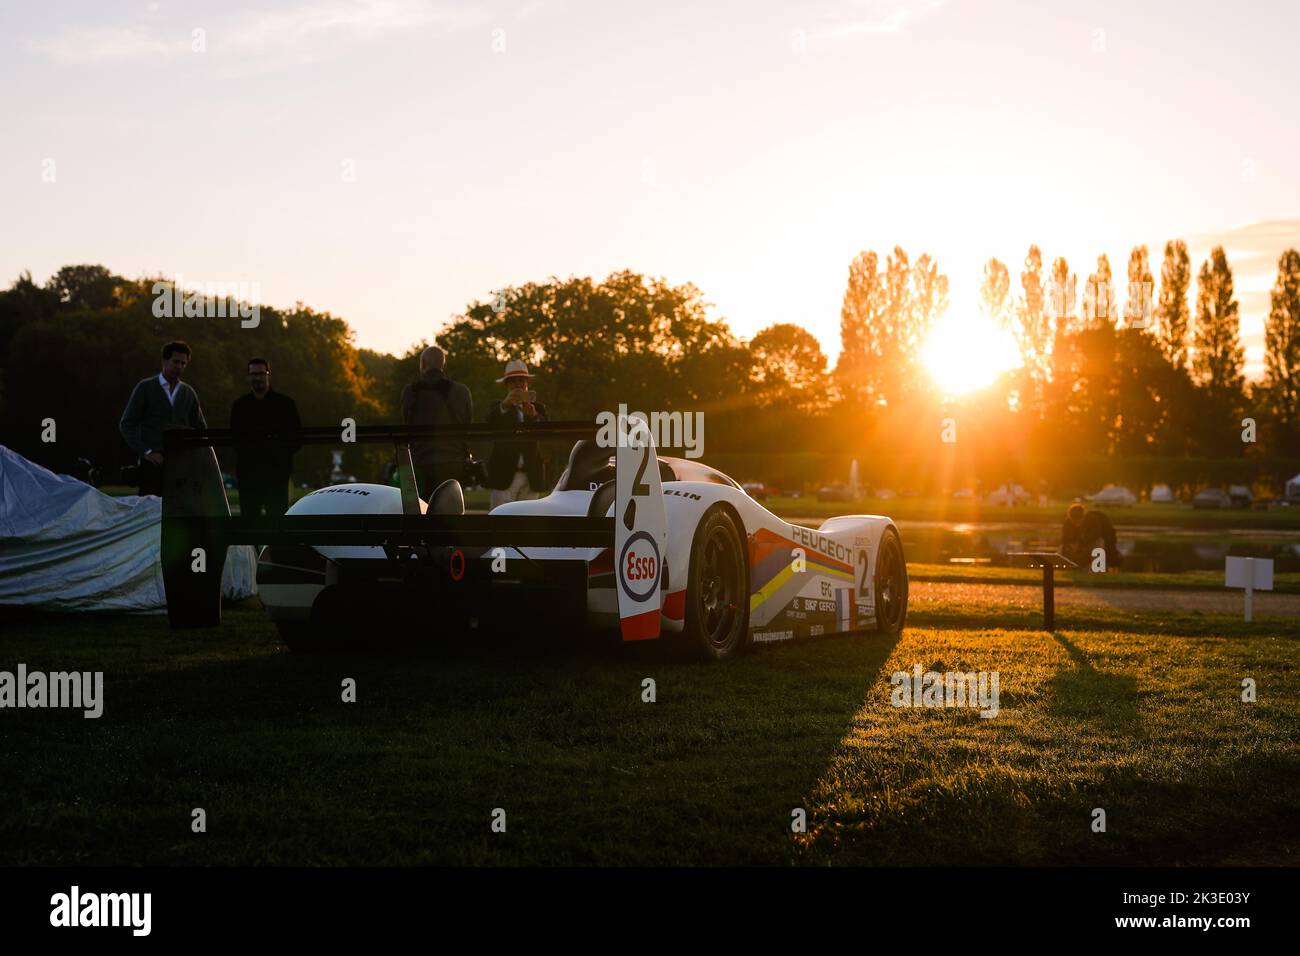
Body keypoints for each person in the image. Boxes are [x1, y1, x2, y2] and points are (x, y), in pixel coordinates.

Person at [119, 341, 206, 496]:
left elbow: (200, 429)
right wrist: (146, 451)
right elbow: (127, 424)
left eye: (183, 363)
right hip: (153, 465)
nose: (179, 366)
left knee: (180, 512)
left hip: (182, 466)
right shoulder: (145, 387)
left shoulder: (188, 392)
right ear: (164, 361)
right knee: (151, 512)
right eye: (175, 361)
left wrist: (193, 457)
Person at [230, 357, 302, 519]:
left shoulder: (285, 404)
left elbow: (296, 438)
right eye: (254, 374)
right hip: (250, 475)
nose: (257, 378)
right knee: (250, 521)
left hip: (276, 475)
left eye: (261, 373)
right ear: (248, 376)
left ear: (268, 374)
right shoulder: (240, 406)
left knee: (276, 520)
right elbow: (235, 440)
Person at [399, 345, 474, 501]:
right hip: (453, 464)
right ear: (443, 364)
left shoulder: (410, 392)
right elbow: (468, 424)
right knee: (451, 513)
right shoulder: (461, 391)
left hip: (421, 463)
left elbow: (406, 424)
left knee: (422, 511)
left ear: (423, 365)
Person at [485, 360, 549, 509]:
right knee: (500, 519)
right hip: (504, 476)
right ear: (507, 386)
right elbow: (489, 421)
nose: (518, 385)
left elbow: (546, 432)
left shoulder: (538, 408)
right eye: (513, 382)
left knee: (528, 521)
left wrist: (532, 416)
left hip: (531, 475)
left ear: (528, 384)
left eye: (522, 381)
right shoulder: (498, 407)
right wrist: (505, 406)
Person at [1061, 502, 1122, 570]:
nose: (1076, 524)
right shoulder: (1067, 524)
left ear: (1083, 517)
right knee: (1063, 549)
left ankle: (1098, 569)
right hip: (1079, 545)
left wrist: (1081, 543)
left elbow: (1095, 535)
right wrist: (1069, 545)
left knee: (1099, 545)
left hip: (1098, 540)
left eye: (1078, 522)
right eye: (1073, 522)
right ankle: (1069, 567)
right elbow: (1064, 539)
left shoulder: (1093, 521)